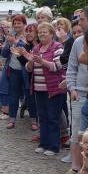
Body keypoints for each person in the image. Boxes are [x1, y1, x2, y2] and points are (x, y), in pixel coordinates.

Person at [60, 8, 88, 174]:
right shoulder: (78, 42)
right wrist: (72, 88)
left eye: (82, 19)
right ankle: (76, 169)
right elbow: (72, 67)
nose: (79, 23)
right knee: (77, 134)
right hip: (80, 93)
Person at [22, 22, 66, 156]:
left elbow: (57, 67)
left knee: (53, 117)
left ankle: (54, 146)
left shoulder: (58, 47)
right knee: (42, 117)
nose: (41, 34)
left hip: (54, 88)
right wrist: (30, 61)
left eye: (44, 32)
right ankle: (43, 143)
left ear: (51, 34)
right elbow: (28, 69)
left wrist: (42, 62)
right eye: (40, 32)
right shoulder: (36, 48)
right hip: (38, 88)